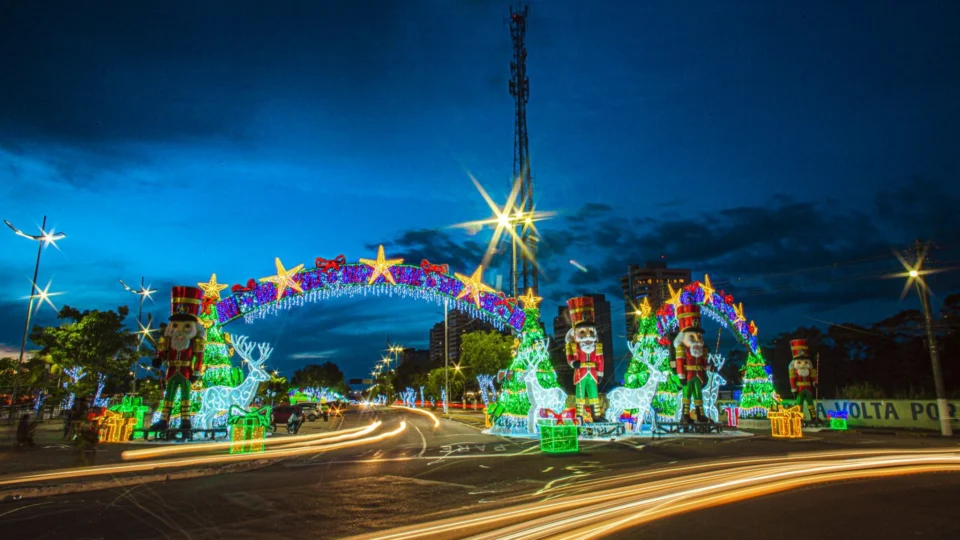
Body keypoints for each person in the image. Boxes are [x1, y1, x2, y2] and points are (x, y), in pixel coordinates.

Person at [149, 286, 206, 431]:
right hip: (172, 370)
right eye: (176, 325)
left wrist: (196, 373)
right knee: (169, 395)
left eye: (186, 325)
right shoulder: (169, 340)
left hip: (186, 371)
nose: (180, 330)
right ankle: (163, 420)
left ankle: (185, 420)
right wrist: (159, 359)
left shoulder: (195, 342)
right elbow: (162, 352)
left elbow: (199, 357)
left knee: (186, 397)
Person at [564, 296, 605, 423]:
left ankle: (597, 416)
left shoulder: (597, 346)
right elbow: (569, 358)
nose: (587, 335)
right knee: (580, 396)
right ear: (575, 333)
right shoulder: (572, 346)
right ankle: (580, 416)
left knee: (594, 395)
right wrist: (573, 363)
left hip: (592, 373)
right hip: (580, 372)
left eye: (590, 331)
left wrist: (600, 373)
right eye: (582, 332)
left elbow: (600, 360)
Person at [672, 304, 712, 424]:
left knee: (698, 395)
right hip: (688, 375)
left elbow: (704, 363)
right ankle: (685, 416)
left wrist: (709, 367)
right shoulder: (682, 350)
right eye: (692, 336)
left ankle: (700, 415)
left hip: (698, 375)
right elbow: (679, 363)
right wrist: (681, 376)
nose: (697, 339)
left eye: (699, 336)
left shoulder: (700, 351)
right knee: (687, 395)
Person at [789, 339, 820, 424]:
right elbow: (792, 379)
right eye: (799, 362)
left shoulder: (810, 369)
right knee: (799, 404)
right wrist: (794, 389)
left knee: (810, 403)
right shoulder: (793, 370)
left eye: (805, 362)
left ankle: (813, 417)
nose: (802, 364)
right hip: (799, 389)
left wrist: (815, 383)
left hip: (808, 388)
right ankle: (799, 418)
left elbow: (814, 377)